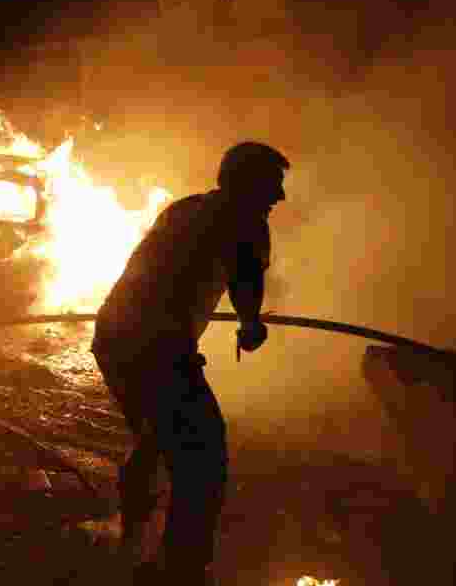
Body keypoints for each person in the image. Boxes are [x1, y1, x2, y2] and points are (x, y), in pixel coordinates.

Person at [91, 141, 289, 584]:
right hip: (157, 349)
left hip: (113, 337)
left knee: (161, 428)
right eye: (273, 185)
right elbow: (246, 283)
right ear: (248, 183)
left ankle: (133, 523)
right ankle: (180, 571)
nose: (280, 197)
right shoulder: (246, 221)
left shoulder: (184, 209)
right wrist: (250, 326)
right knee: (203, 454)